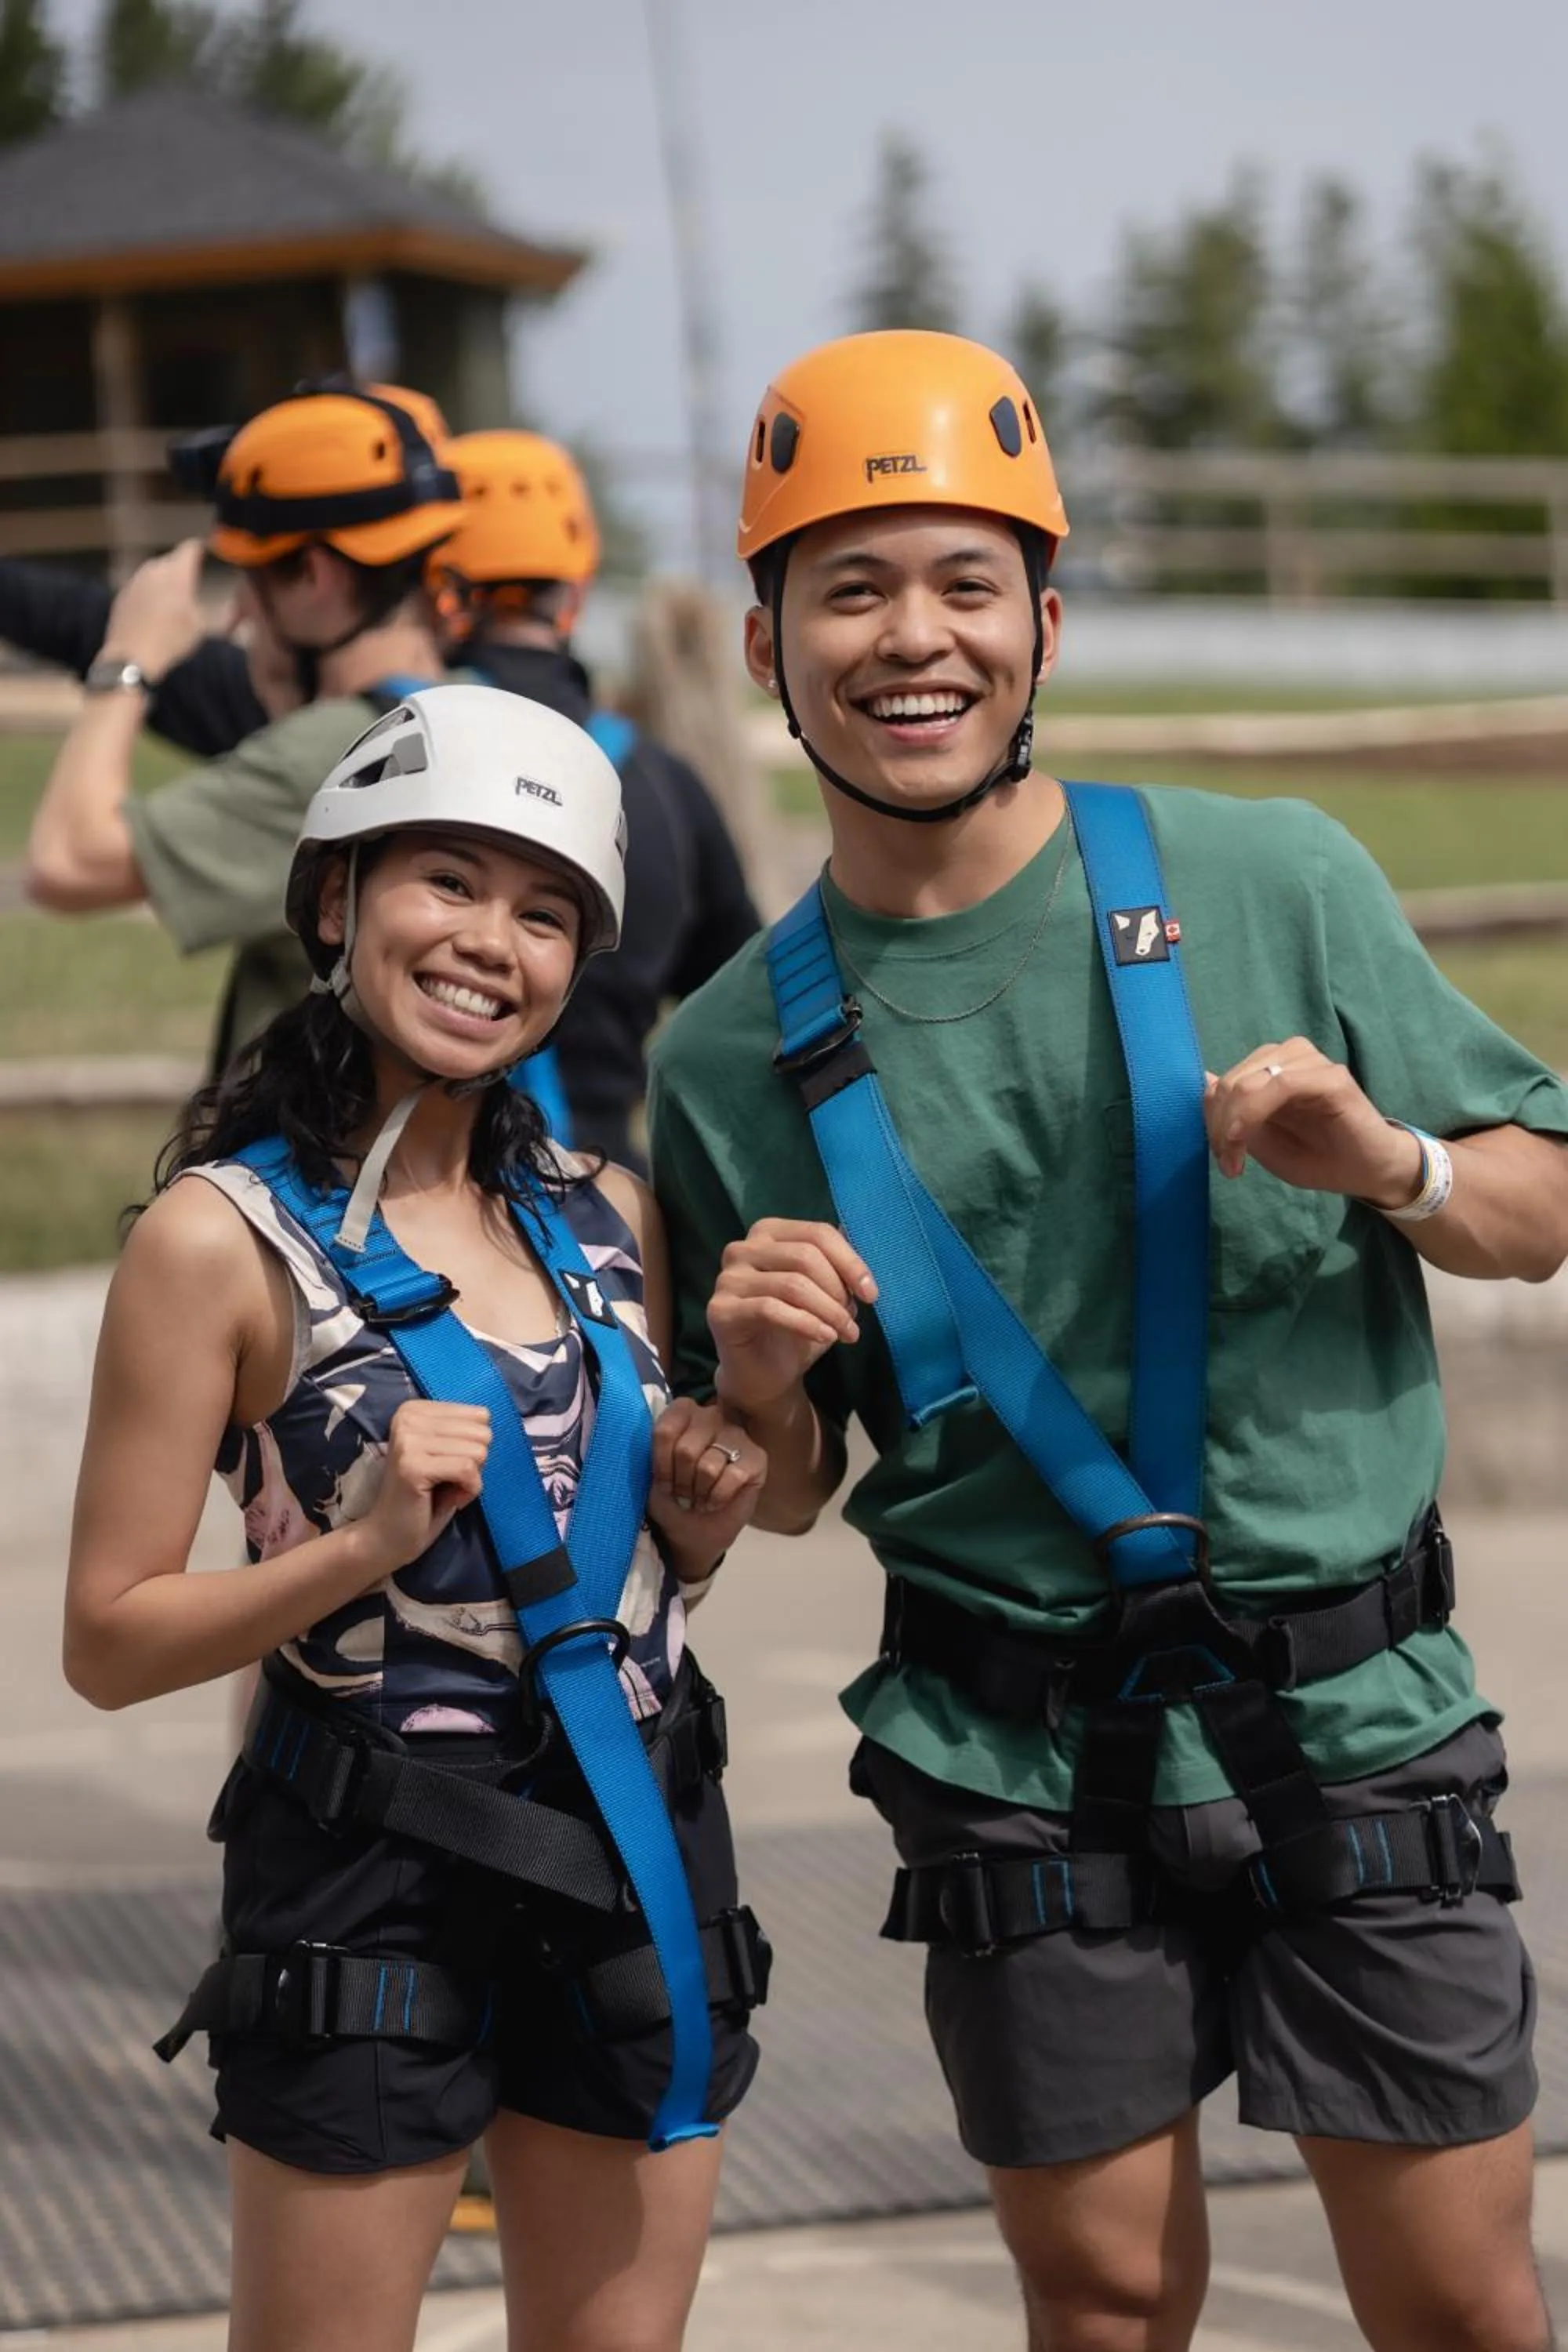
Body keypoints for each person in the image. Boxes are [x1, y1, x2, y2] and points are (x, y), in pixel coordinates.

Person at [647, 328, 1568, 2352]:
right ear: (762, 643)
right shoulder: (725, 1057)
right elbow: (787, 1495)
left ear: (1045, 623)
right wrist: (762, 1388)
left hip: (1356, 1714)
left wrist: (1386, 1159)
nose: (914, 639)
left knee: (1468, 2307)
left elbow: (1542, 1203)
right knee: (1101, 2309)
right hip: (1014, 1756)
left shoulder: (1276, 879)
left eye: (965, 585)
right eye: (851, 588)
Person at [62, 681, 769, 2352]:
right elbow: (105, 1642)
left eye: (542, 913)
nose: (487, 943)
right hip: (366, 1870)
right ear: (336, 898)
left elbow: (624, 1588)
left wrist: (703, 1517)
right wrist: (356, 1544)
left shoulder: (608, 1216)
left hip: (634, 1839)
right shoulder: (213, 1244)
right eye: (443, 881)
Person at [23, 381, 463, 1071]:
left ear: (315, 575)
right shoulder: (470, 709)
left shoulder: (337, 754)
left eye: (252, 583)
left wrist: (128, 659)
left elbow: (66, 862)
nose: (237, 618)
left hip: (314, 1174)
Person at [431, 428, 760, 1168]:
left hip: (414, 1203)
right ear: (575, 590)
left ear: (436, 587)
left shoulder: (390, 742)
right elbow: (747, 1011)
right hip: (606, 1210)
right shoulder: (665, 784)